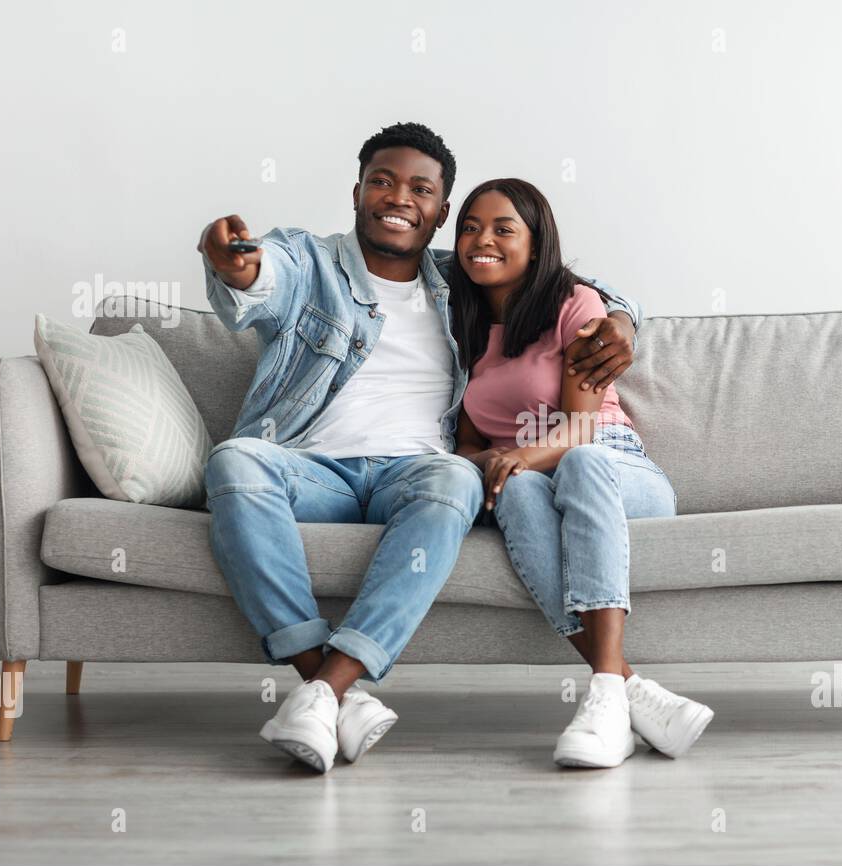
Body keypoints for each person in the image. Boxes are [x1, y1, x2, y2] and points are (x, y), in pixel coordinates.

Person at [197, 124, 642, 773]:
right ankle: (329, 689)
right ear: (356, 191)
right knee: (232, 459)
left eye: (421, 189)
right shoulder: (308, 260)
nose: (398, 197)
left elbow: (558, 279)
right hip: (308, 468)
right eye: (382, 180)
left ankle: (324, 695)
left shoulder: (456, 282)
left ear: (439, 212)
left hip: (414, 473)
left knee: (459, 478)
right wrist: (234, 266)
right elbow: (259, 276)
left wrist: (623, 320)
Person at [450, 178, 714, 769]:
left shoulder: (577, 305)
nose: (481, 240)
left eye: (501, 229)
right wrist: (490, 462)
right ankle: (620, 691)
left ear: (537, 244)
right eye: (469, 227)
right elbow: (467, 441)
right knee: (512, 492)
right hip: (528, 479)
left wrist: (515, 454)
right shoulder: (457, 324)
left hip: (614, 468)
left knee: (580, 463)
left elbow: (579, 429)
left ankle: (604, 696)